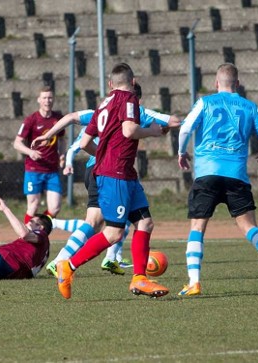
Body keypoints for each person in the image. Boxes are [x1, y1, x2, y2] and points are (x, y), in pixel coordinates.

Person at [33, 83, 181, 277]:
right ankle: (67, 261)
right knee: (103, 223)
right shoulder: (139, 112)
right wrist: (163, 129)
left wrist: (48, 135)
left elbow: (70, 118)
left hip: (95, 169)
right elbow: (172, 121)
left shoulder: (101, 109)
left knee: (110, 221)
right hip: (111, 172)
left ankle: (106, 259)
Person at [54, 63, 170, 299]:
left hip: (124, 173)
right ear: (133, 81)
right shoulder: (129, 99)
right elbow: (129, 131)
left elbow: (85, 143)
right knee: (114, 233)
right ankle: (68, 265)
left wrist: (104, 156)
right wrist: (154, 132)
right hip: (115, 175)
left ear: (110, 84)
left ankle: (139, 278)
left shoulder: (104, 104)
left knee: (145, 223)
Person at [177, 63, 258, 296]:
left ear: (216, 83)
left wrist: (181, 152)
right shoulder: (250, 107)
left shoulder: (205, 102)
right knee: (249, 226)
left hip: (207, 173)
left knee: (197, 227)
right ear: (237, 84)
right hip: (236, 175)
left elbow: (185, 129)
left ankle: (194, 282)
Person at [13, 86, 65, 223]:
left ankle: (40, 228)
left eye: (50, 98)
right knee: (33, 205)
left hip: (52, 170)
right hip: (34, 170)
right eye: (44, 98)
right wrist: (30, 152)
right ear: (38, 100)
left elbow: (61, 140)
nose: (47, 101)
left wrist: (62, 155)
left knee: (55, 208)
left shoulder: (58, 119)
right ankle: (27, 238)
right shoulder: (31, 120)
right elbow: (17, 143)